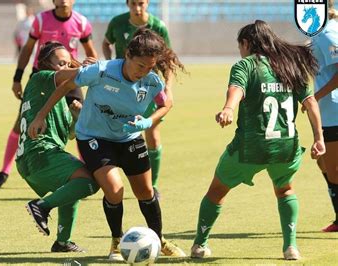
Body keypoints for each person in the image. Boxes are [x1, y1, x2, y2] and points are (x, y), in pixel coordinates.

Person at [28, 28, 187, 261]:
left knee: (145, 192)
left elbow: (166, 104)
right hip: (94, 137)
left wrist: (146, 122)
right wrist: (41, 115)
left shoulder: (152, 82)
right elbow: (65, 85)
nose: (143, 72)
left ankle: (159, 240)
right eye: (140, 66)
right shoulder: (102, 71)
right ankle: (116, 242)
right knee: (115, 190)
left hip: (130, 138)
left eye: (150, 67)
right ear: (128, 56)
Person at [190, 20, 326, 260]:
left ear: (246, 43)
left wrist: (228, 109)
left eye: (240, 45)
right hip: (286, 146)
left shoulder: (245, 65)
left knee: (217, 191)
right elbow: (311, 102)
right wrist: (318, 137)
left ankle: (199, 245)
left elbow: (236, 90)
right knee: (285, 190)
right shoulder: (291, 64)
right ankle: (290, 248)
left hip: (250, 147)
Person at [0, 0, 97, 188]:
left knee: (83, 122)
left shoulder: (81, 22)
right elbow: (28, 48)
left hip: (70, 78)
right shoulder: (41, 20)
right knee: (20, 124)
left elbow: (91, 53)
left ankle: (90, 168)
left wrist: (91, 71)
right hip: (43, 79)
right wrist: (17, 77)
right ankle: (4, 170)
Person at [17, 41, 99, 252]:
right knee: (89, 180)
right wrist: (91, 68)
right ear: (45, 64)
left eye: (68, 63)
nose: (65, 67)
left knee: (71, 188)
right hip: (40, 153)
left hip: (34, 157)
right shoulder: (40, 77)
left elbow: (70, 134)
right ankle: (41, 206)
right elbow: (67, 77)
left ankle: (63, 242)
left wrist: (77, 118)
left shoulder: (58, 101)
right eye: (61, 63)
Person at [102, 0, 171, 197]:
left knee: (152, 133)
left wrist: (168, 87)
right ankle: (107, 175)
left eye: (141, 3)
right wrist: (110, 62)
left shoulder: (158, 26)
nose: (137, 8)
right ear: (127, 4)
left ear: (147, 3)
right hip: (119, 87)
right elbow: (106, 43)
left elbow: (168, 59)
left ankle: (152, 185)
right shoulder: (117, 22)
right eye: (133, 3)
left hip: (147, 90)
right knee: (111, 129)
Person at [310, 0, 338, 232]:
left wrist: (315, 96)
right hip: (328, 110)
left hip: (333, 111)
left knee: (332, 167)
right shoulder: (323, 32)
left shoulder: (328, 34)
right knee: (323, 162)